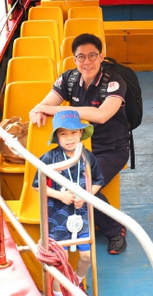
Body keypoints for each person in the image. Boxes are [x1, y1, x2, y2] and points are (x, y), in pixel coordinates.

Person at [30, 33, 130, 254]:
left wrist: (55, 110)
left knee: (83, 185)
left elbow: (102, 115)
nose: (87, 62)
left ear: (102, 56)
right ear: (74, 59)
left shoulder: (114, 82)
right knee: (65, 184)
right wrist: (38, 111)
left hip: (110, 148)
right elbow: (45, 104)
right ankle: (67, 227)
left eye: (93, 55)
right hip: (78, 147)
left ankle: (115, 230)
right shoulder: (69, 79)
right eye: (81, 57)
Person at [33, 110, 103, 296]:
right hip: (56, 216)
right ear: (57, 137)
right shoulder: (48, 158)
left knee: (86, 256)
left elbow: (98, 180)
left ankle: (76, 283)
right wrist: (59, 195)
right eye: (63, 134)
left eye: (74, 132)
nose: (70, 138)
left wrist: (86, 195)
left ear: (81, 134)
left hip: (81, 216)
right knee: (56, 259)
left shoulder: (87, 156)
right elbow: (37, 186)